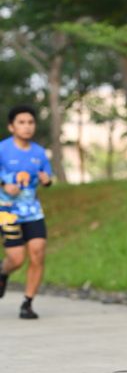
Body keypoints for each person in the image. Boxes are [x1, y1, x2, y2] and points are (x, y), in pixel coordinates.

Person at [0, 105, 53, 319]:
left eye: (30, 122)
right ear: (11, 127)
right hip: (6, 211)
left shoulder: (39, 152)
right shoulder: (2, 149)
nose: (27, 127)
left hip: (32, 211)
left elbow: (47, 177)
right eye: (21, 122)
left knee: (38, 252)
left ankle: (27, 303)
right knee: (16, 258)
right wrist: (4, 185)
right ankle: (3, 271)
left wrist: (46, 180)